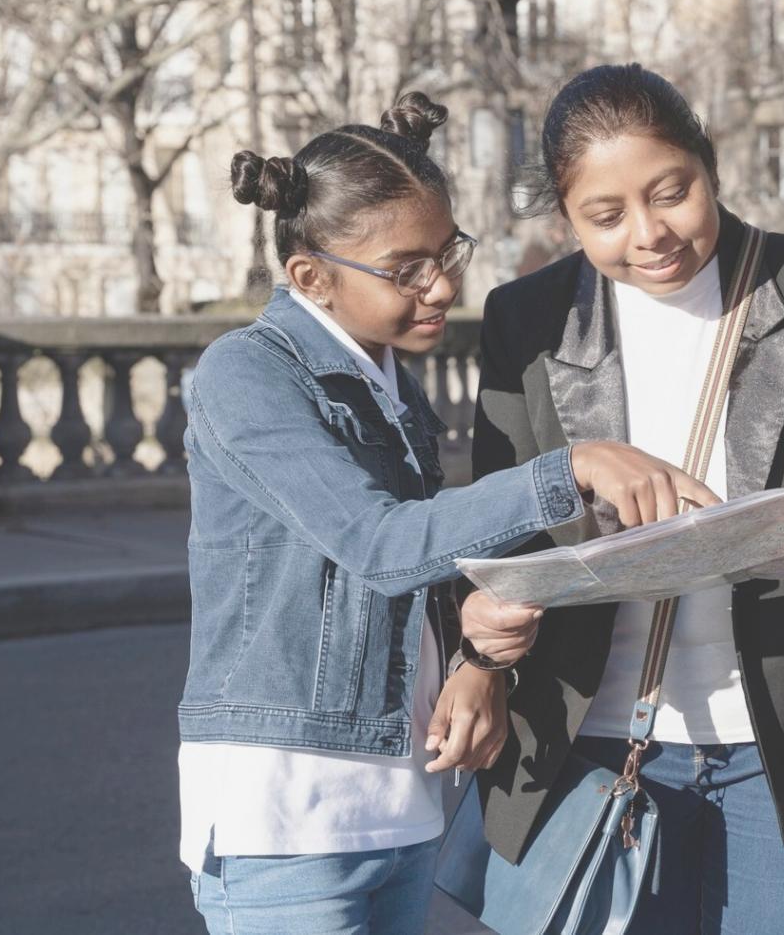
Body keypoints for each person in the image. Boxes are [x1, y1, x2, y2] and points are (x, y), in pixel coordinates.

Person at [177, 91, 716, 935]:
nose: (442, 285)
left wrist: (476, 651)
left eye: (446, 252)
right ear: (310, 276)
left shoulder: (390, 380)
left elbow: (421, 579)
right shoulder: (245, 375)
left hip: (402, 803)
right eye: (405, 270)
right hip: (286, 816)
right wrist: (571, 467)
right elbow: (379, 545)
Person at [456, 64, 784, 935]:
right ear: (566, 219)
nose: (650, 233)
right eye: (606, 216)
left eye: (672, 192)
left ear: (709, 164)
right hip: (585, 742)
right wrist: (480, 645)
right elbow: (497, 523)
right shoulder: (529, 316)